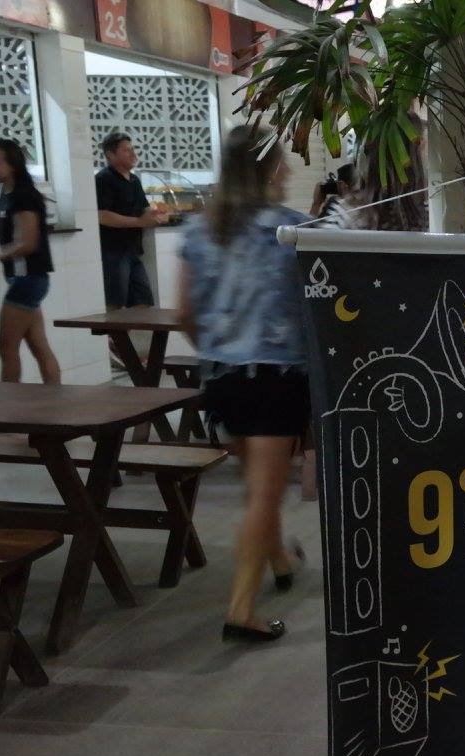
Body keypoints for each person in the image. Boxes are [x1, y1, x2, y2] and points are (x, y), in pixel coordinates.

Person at [177, 125, 308, 643]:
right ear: (269, 169)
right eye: (283, 161)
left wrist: (217, 348)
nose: (289, 169)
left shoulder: (198, 230)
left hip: (221, 378)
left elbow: (185, 313)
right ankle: (241, 611)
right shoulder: (291, 230)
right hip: (276, 377)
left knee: (256, 485)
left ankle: (280, 560)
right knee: (264, 496)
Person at [0, 138, 61, 384]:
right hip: (24, 280)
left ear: (13, 165)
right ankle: (55, 398)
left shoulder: (24, 197)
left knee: (7, 349)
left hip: (27, 280)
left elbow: (28, 243)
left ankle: (8, 404)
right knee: (39, 347)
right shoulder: (7, 195)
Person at [96, 132, 168, 309]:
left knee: (143, 301)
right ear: (110, 155)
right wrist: (139, 222)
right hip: (113, 252)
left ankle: (132, 329)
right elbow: (102, 215)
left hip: (133, 250)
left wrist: (155, 215)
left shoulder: (134, 180)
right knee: (115, 305)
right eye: (126, 150)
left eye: (132, 149)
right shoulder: (104, 179)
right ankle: (114, 329)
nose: (133, 154)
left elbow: (144, 209)